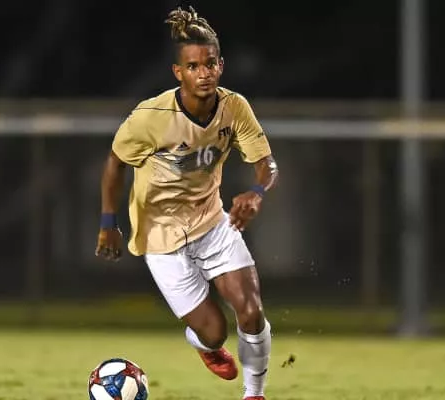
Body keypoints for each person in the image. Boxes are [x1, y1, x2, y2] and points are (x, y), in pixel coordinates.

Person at [95, 6, 279, 400]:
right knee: (214, 332)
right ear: (178, 72)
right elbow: (114, 163)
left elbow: (267, 164)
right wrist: (108, 222)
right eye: (194, 66)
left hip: (212, 223)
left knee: (251, 312)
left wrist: (257, 192)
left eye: (210, 63)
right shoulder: (151, 117)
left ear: (221, 66)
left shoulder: (234, 107)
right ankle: (204, 345)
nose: (204, 73)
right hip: (160, 237)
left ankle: (254, 394)